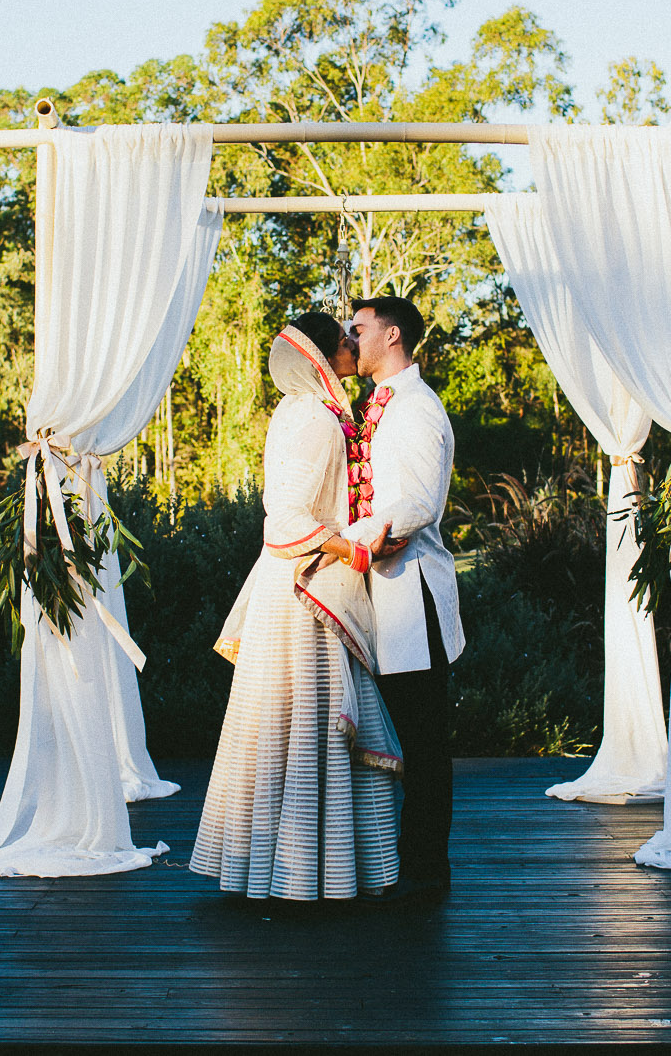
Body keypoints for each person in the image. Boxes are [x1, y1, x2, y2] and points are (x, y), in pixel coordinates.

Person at [189, 313, 403, 901]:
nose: (352, 347)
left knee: (291, 733)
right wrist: (354, 550)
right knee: (305, 727)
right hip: (302, 594)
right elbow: (284, 519)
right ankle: (307, 875)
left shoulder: (308, 410)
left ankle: (293, 871)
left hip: (300, 587)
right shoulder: (312, 416)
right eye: (343, 342)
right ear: (315, 356)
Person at [343, 294, 461, 895]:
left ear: (392, 336)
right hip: (385, 599)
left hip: (413, 601)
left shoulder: (414, 408)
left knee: (421, 743)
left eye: (357, 328)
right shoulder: (381, 406)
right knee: (402, 740)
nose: (350, 337)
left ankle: (424, 874)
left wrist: (344, 539)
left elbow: (415, 504)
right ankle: (404, 863)